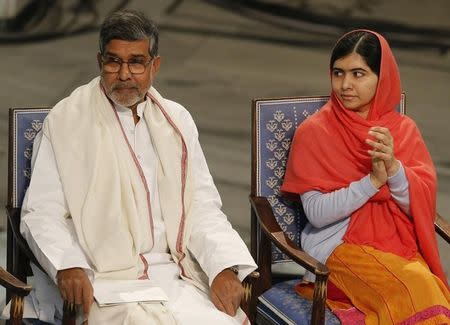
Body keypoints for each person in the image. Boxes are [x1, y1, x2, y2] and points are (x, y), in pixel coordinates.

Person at [18, 9, 256, 325]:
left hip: (176, 273)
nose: (125, 74)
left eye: (136, 62)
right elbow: (43, 213)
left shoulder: (177, 122)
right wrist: (68, 265)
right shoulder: (66, 122)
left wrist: (223, 266)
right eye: (114, 61)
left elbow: (201, 208)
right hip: (104, 278)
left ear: (154, 65)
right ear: (100, 62)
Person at [281, 29, 450, 324]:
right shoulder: (314, 132)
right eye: (338, 73)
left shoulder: (403, 129)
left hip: (396, 244)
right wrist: (372, 182)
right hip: (336, 248)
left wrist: (394, 169)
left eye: (358, 74)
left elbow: (419, 207)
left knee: (430, 292)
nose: (345, 84)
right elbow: (317, 215)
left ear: (381, 78)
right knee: (417, 290)